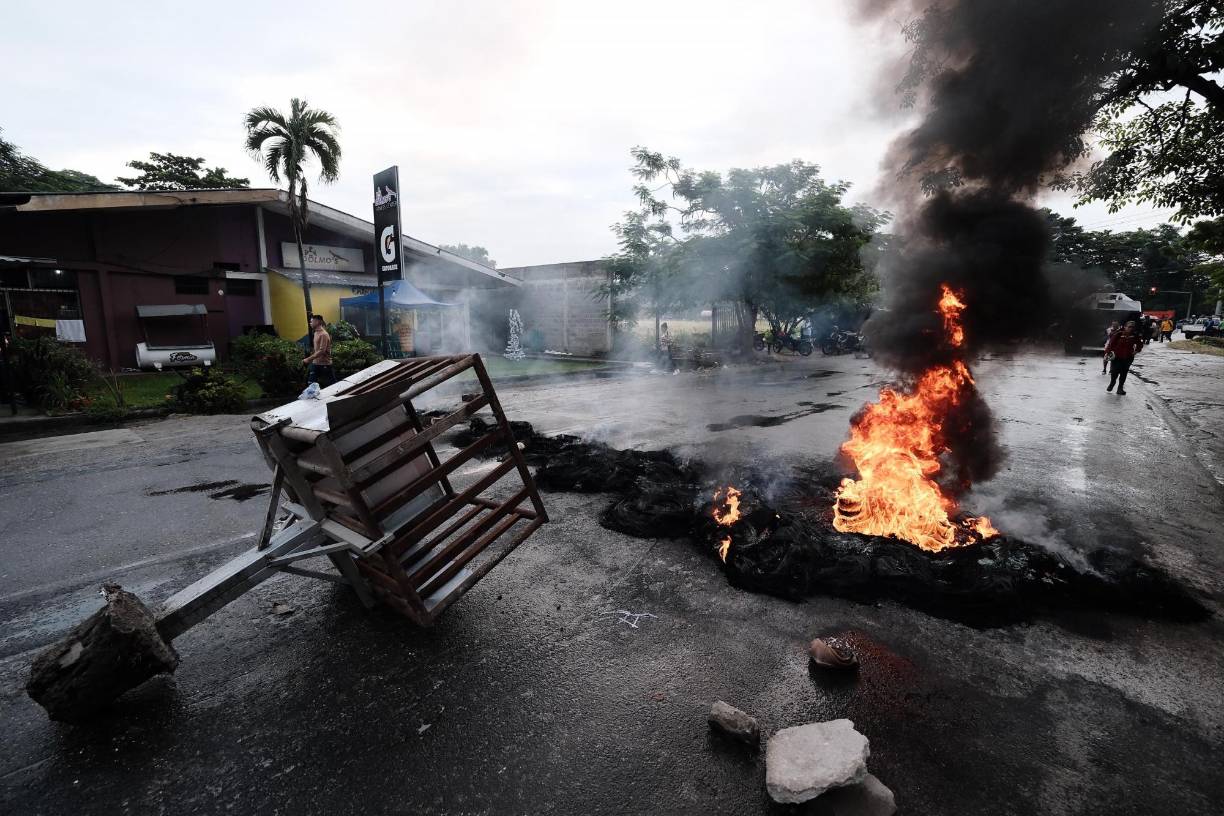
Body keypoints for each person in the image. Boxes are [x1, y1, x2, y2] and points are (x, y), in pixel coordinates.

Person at [1103, 321, 1141, 395]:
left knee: (1124, 373)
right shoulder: (1118, 334)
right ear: (1125, 327)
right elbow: (1111, 344)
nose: (1131, 328)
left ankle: (1120, 388)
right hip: (1117, 357)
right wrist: (1108, 353)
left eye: (1133, 327)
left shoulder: (1134, 336)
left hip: (1128, 358)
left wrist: (1136, 351)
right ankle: (1112, 383)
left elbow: (1140, 344)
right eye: (1129, 327)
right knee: (1114, 372)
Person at [302, 314, 336, 387]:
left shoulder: (324, 334)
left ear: (317, 322)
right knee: (310, 383)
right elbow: (316, 349)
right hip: (316, 363)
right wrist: (311, 359)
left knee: (332, 385)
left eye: (311, 321)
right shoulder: (316, 333)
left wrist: (308, 359)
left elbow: (321, 351)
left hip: (325, 364)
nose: (310, 323)